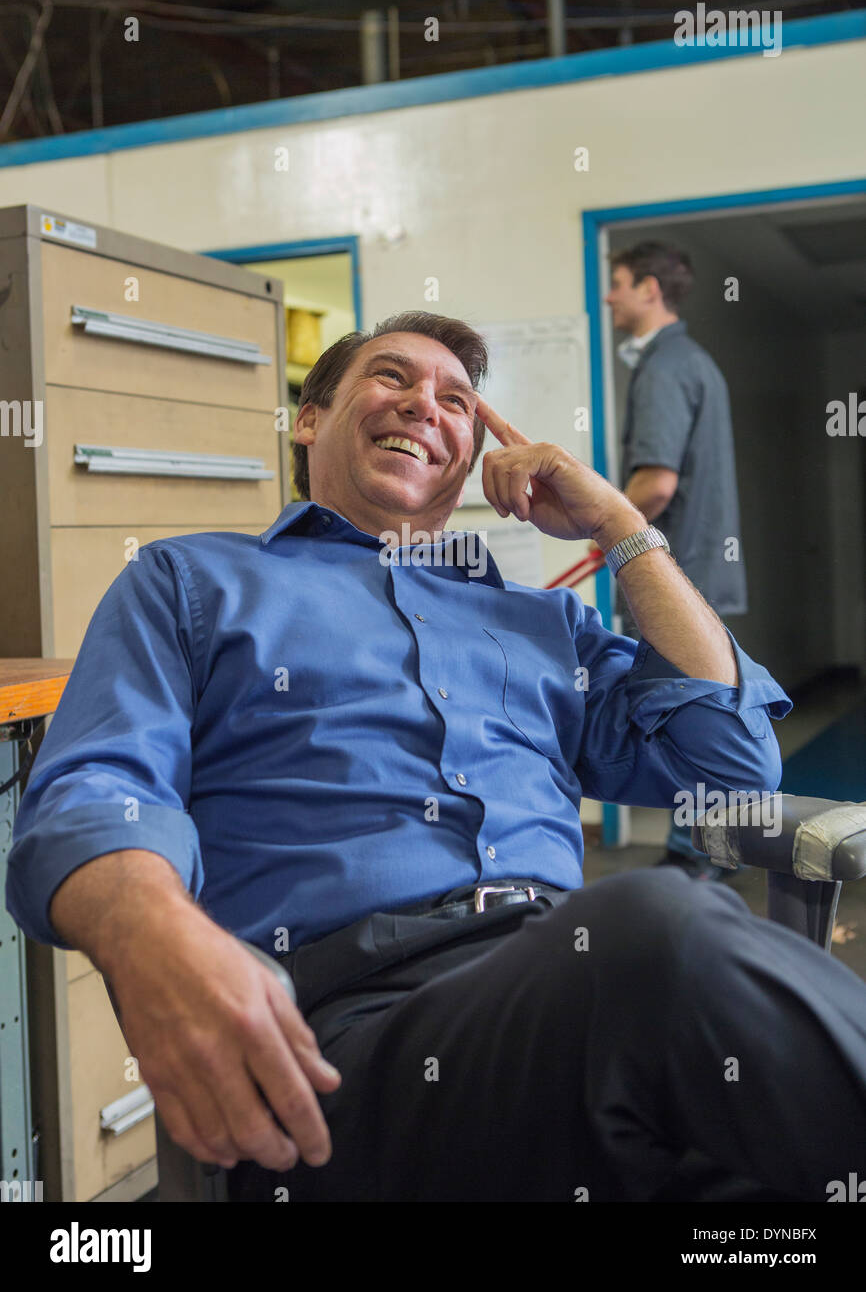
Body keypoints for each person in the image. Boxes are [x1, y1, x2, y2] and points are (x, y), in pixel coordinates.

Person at [8, 310, 866, 1203]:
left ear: (475, 453)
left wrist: (618, 524)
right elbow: (96, 786)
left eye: (457, 400)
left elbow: (731, 765)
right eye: (391, 379)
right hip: (349, 1044)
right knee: (658, 921)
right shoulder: (192, 584)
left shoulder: (546, 625)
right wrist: (151, 935)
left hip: (573, 1017)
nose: (426, 405)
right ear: (310, 417)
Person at [606, 242, 747, 881]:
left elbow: (656, 485)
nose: (609, 296)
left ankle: (697, 858)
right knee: (705, 708)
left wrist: (601, 525)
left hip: (671, 572)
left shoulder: (663, 368)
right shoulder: (699, 362)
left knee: (683, 712)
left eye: (618, 284)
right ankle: (710, 849)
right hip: (700, 570)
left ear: (649, 291)